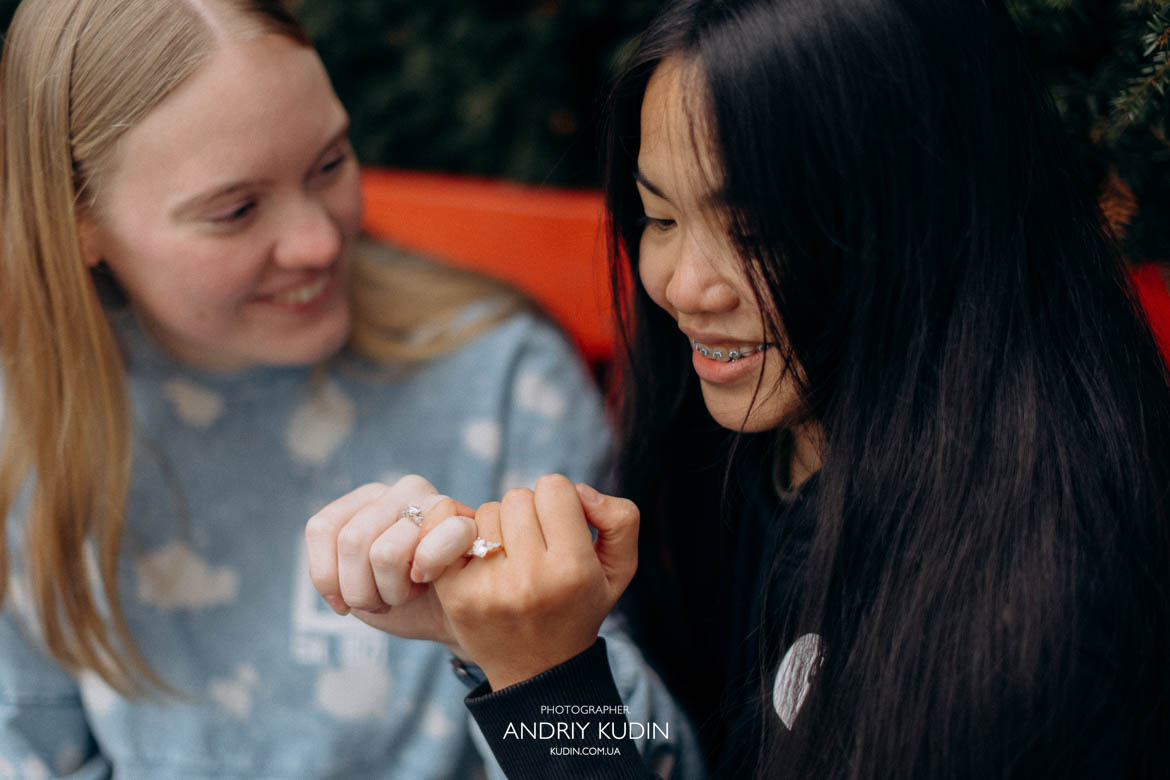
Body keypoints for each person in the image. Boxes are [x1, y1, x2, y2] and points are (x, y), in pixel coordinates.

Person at [312, 0, 1170, 777]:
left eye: (758, 231)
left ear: (928, 219)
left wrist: (546, 684)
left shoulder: (1049, 603)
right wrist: (492, 637)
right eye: (659, 217)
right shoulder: (735, 451)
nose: (687, 286)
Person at [0, 0, 695, 776]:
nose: (320, 240)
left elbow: (635, 768)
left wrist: (516, 655)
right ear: (77, 225)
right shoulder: (25, 427)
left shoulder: (499, 387)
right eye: (235, 210)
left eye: (331, 163)